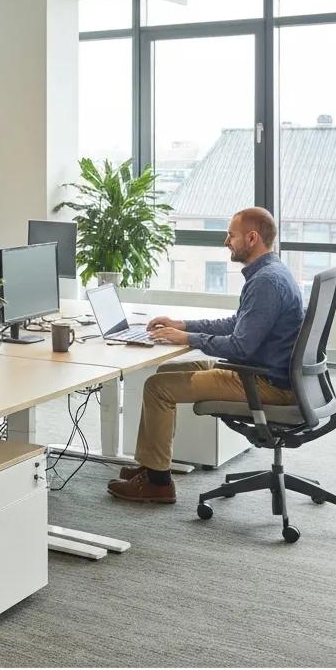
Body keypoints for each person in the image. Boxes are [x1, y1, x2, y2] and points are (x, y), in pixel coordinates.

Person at [109, 207, 303, 504]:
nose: (226, 242)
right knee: (164, 374)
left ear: (252, 238)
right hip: (265, 370)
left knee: (158, 388)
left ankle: (159, 484)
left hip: (265, 382)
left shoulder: (265, 282)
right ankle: (151, 467)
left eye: (231, 235)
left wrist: (188, 339)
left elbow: (239, 347)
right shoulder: (271, 272)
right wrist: (183, 325)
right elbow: (237, 324)